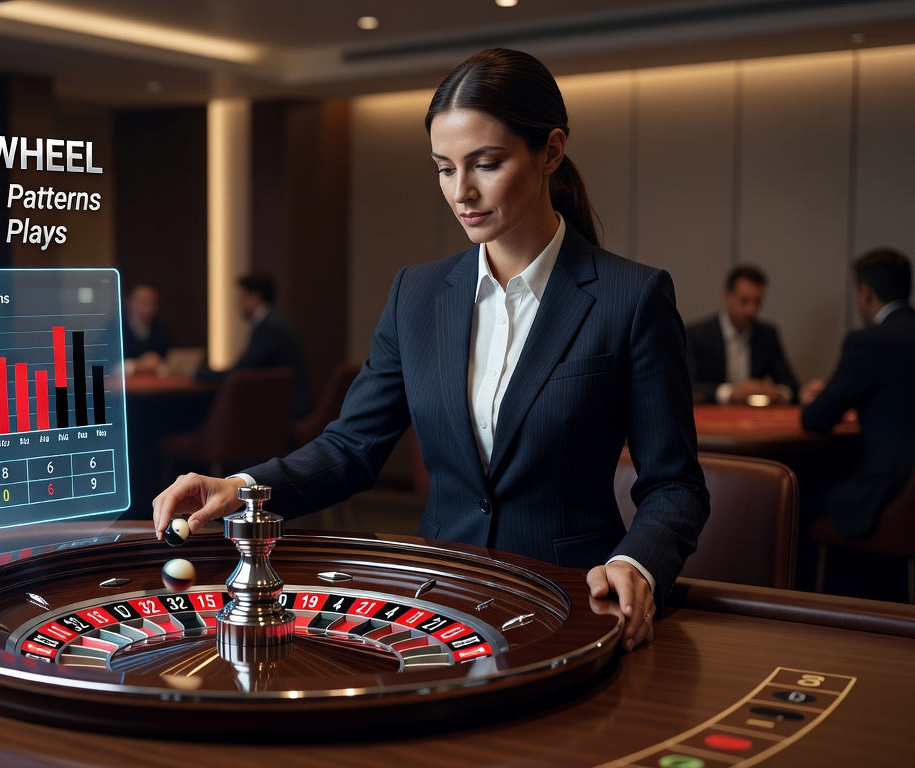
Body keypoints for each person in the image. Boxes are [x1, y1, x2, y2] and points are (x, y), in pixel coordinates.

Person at [155, 48, 708, 653]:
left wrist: (638, 563)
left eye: (486, 164)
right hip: (436, 604)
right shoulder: (415, 294)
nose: (461, 192)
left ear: (551, 151)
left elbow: (674, 486)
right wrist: (243, 487)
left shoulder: (633, 297)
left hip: (574, 601)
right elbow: (350, 448)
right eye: (444, 168)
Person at [799, 249, 915, 538]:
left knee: (790, 498)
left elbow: (816, 420)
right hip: (908, 489)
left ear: (865, 292)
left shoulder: (869, 341)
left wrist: (816, 398)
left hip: (885, 490)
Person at [198, 272, 311, 420]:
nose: (238, 303)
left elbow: (240, 371)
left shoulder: (268, 327)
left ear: (254, 297)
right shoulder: (274, 322)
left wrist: (198, 373)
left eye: (242, 296)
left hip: (285, 411)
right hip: (286, 405)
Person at [686, 265, 800, 404]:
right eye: (744, 301)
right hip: (710, 418)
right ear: (726, 296)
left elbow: (791, 385)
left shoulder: (767, 335)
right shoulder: (698, 335)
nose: (751, 310)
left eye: (757, 302)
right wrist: (731, 393)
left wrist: (776, 392)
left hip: (756, 419)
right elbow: (687, 385)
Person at [121, 283, 176, 375]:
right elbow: (108, 365)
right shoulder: (116, 328)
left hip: (158, 385)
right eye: (142, 301)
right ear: (129, 301)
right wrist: (138, 364)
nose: (147, 308)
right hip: (125, 386)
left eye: (152, 302)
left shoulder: (161, 328)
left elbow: (171, 359)